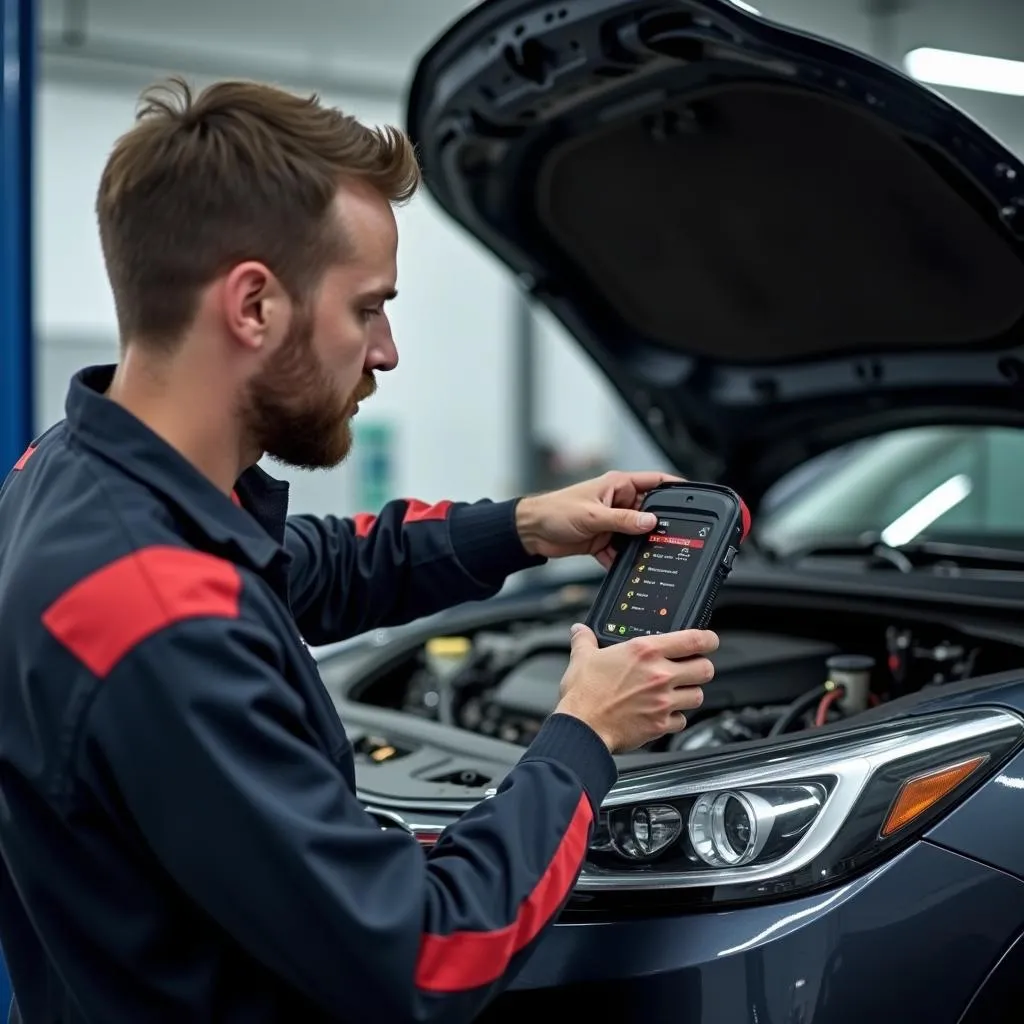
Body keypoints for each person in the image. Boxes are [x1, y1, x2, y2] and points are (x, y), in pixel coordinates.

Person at [0, 78, 718, 1024]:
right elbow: (427, 954)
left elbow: (297, 567)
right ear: (253, 305)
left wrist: (523, 527)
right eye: (367, 308)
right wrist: (583, 736)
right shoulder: (156, 621)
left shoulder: (67, 473)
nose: (385, 353)